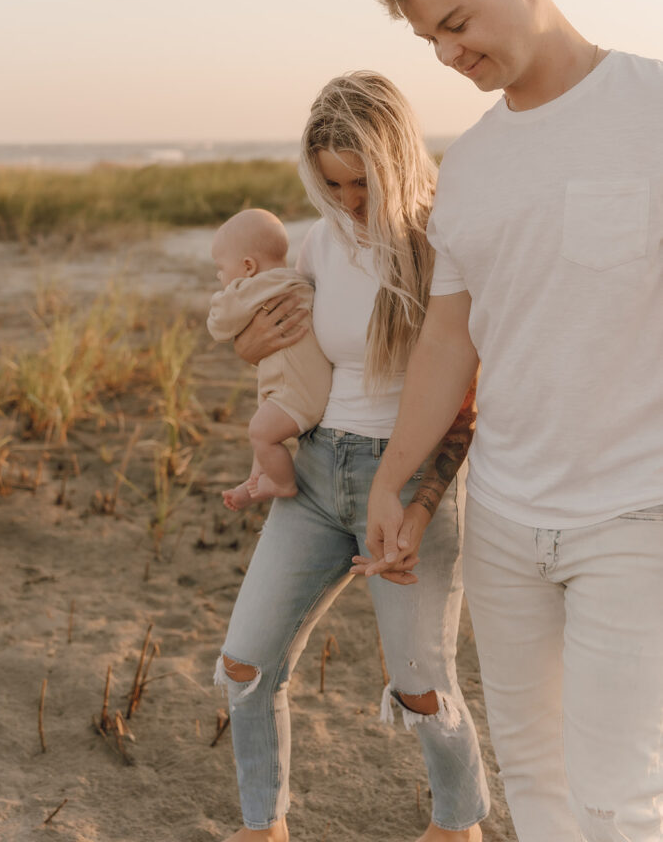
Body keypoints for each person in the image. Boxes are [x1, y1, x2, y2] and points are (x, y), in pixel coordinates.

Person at [355, 0, 663, 842]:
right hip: (504, 516)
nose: (448, 55)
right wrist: (397, 479)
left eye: (457, 21)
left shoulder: (650, 106)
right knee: (533, 775)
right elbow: (451, 338)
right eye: (428, 41)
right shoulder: (473, 165)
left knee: (617, 794)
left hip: (636, 512)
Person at [213, 71, 489, 842]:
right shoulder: (318, 241)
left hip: (402, 481)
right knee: (243, 665)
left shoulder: (443, 240)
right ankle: (262, 825)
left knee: (422, 686)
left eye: (361, 181)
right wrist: (246, 344)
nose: (347, 200)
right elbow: (290, 353)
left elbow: (467, 399)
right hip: (310, 476)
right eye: (330, 182)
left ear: (396, 159)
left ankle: (455, 824)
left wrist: (419, 499)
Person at [208, 208, 332, 509]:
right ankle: (254, 482)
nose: (220, 276)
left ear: (248, 266)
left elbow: (219, 326)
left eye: (221, 269)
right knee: (264, 437)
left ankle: (283, 483)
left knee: (260, 432)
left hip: (294, 392)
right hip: (304, 387)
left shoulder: (252, 288)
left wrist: (224, 297)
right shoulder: (297, 281)